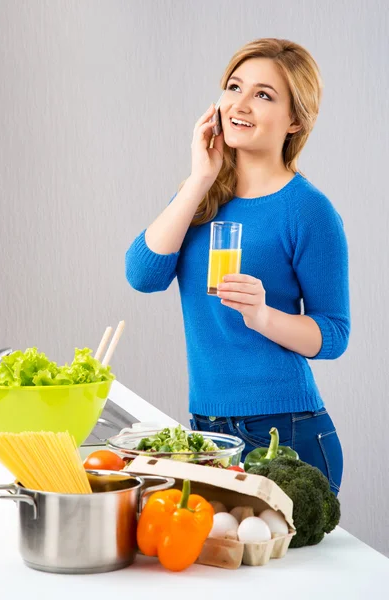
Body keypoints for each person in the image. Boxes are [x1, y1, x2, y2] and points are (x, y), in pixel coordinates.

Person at [125, 38, 350, 496]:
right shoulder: (202, 195)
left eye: (263, 95)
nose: (239, 105)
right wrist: (199, 177)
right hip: (207, 430)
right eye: (233, 87)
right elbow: (143, 275)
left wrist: (263, 317)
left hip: (283, 433)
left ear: (295, 120)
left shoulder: (307, 210)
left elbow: (334, 335)